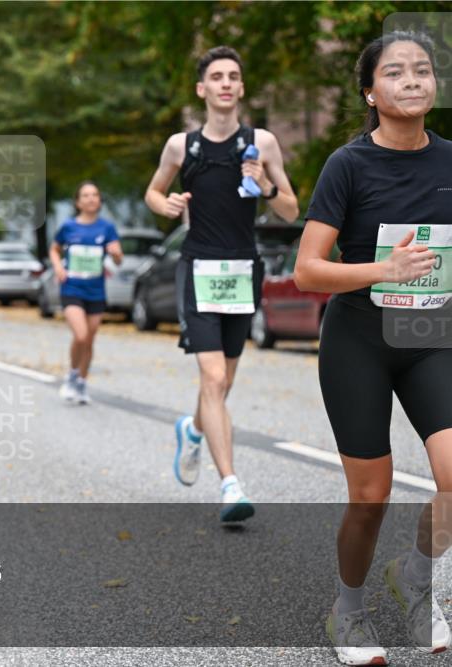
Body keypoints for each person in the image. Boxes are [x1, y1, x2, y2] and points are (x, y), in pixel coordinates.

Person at [294, 31, 451, 664]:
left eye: (423, 70)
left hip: (431, 337)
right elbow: (307, 270)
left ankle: (414, 575)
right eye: (395, 72)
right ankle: (349, 611)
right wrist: (384, 270)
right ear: (370, 92)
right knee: (370, 496)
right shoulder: (348, 165)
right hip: (359, 337)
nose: (412, 79)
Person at [144, 45, 299, 522]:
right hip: (198, 270)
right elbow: (153, 191)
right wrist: (166, 204)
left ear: (242, 87)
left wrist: (266, 186)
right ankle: (231, 485)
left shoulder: (262, 143)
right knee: (212, 377)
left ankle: (193, 429)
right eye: (217, 76)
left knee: (224, 380)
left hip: (241, 271)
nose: (226, 83)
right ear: (202, 88)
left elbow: (291, 209)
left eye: (233, 76)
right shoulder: (182, 146)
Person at [50, 182, 123, 404]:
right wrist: (58, 267)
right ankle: (72, 375)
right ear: (78, 202)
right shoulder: (68, 227)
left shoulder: (107, 228)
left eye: (95, 195)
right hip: (72, 288)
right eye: (86, 195)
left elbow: (118, 260)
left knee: (89, 340)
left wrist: (116, 254)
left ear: (99, 200)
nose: (91, 198)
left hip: (96, 290)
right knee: (80, 335)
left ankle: (82, 382)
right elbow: (54, 249)